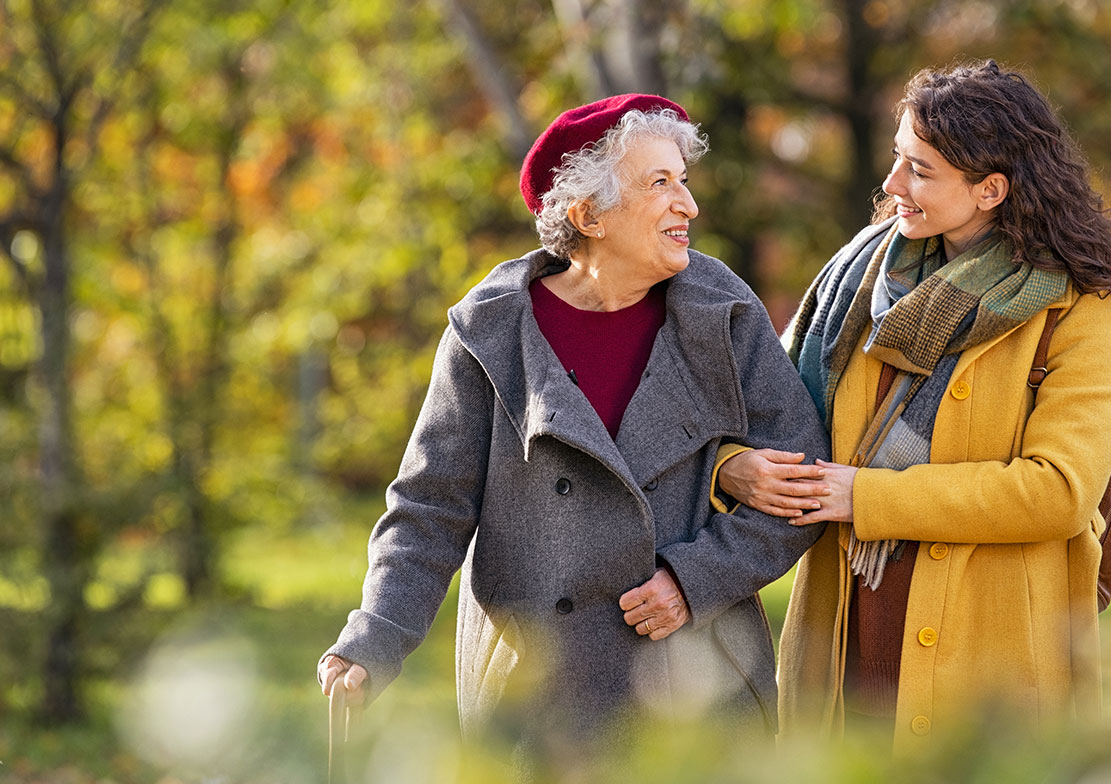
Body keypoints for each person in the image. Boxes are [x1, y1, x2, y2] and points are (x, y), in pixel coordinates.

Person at [317, 94, 830, 766]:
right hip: (539, 694)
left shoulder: (724, 313)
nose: (689, 205)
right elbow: (429, 509)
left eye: (684, 180)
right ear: (588, 215)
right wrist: (375, 635)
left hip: (698, 688)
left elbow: (800, 482)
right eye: (660, 183)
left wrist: (695, 578)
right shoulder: (490, 333)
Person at [716, 60, 1111, 753]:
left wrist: (870, 497)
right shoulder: (855, 283)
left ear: (990, 189)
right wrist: (735, 467)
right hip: (842, 654)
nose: (892, 186)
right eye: (896, 158)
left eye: (919, 170)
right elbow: (755, 413)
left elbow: (1060, 490)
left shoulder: (1085, 306)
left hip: (991, 672)